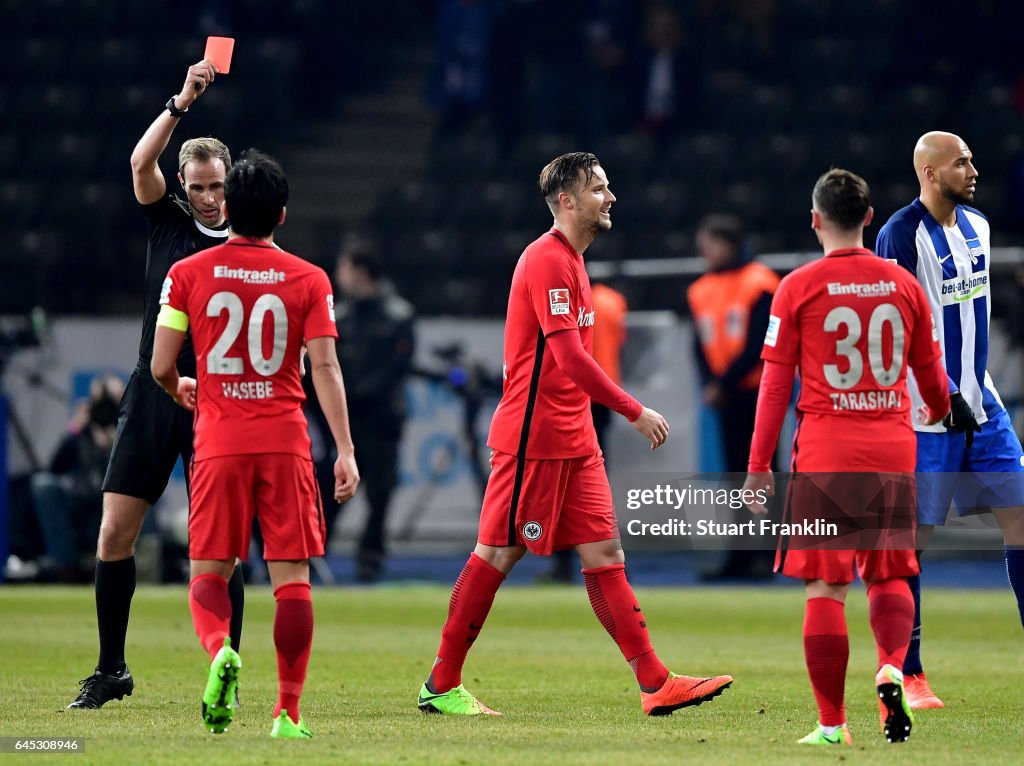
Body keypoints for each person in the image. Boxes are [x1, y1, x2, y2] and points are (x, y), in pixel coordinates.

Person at [416, 152, 732, 717]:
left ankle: (655, 682)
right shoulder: (545, 260)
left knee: (606, 554)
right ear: (567, 200)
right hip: (533, 437)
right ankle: (441, 683)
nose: (610, 197)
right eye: (599, 189)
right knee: (497, 553)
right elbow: (567, 359)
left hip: (575, 438)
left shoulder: (575, 263)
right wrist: (633, 410)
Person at [151, 150, 360, 738]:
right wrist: (343, 449)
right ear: (283, 215)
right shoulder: (309, 279)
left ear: (227, 208)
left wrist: (180, 386)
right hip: (285, 442)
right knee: (292, 577)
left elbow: (161, 364)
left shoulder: (187, 275)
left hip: (218, 440)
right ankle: (287, 715)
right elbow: (325, 369)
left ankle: (220, 650)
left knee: (208, 573)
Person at [743, 168, 951, 745]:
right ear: (869, 216)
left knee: (825, 588)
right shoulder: (903, 285)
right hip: (890, 444)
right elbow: (931, 379)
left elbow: (774, 388)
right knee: (889, 575)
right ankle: (891, 666)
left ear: (815, 220)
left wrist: (759, 468)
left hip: (827, 451)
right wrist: (936, 413)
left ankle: (833, 726)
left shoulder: (797, 288)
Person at [68, 59, 246, 709]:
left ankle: (226, 668)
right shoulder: (169, 225)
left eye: (218, 185)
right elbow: (139, 166)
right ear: (184, 185)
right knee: (116, 533)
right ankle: (112, 669)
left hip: (217, 400)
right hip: (154, 392)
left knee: (219, 548)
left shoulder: (249, 240)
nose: (210, 197)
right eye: (199, 186)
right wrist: (180, 102)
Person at [875, 131, 1024, 709]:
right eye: (961, 162)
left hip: (982, 407)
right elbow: (896, 323)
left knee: (1020, 516)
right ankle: (908, 673)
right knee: (915, 543)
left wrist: (969, 390)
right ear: (930, 173)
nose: (973, 169)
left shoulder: (979, 227)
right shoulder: (899, 235)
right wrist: (934, 391)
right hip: (926, 416)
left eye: (972, 158)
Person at [688, 213, 779, 580]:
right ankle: (740, 556)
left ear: (728, 244)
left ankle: (768, 555)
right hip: (726, 397)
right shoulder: (700, 289)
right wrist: (713, 384)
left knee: (764, 474)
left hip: (758, 393)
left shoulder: (760, 283)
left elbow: (761, 341)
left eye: (709, 244)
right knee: (734, 476)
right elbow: (699, 344)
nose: (704, 252)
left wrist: (721, 385)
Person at [331, 240, 415, 582]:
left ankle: (370, 559)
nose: (339, 276)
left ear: (360, 271)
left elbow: (398, 367)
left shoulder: (398, 315)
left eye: (345, 268)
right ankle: (312, 552)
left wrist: (357, 394)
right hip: (346, 422)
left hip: (381, 421)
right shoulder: (341, 314)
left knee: (380, 494)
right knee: (332, 489)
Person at [543, 279, 627, 583]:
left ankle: (564, 561)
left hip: (573, 396)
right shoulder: (613, 301)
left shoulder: (562, 298)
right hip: (604, 396)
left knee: (562, 484)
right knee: (592, 480)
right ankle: (599, 558)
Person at [30, 379, 121, 583]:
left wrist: (116, 442)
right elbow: (54, 467)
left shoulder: (127, 430)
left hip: (116, 497)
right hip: (80, 496)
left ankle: (126, 566)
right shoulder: (79, 434)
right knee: (43, 484)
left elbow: (140, 469)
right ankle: (66, 567)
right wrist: (74, 429)